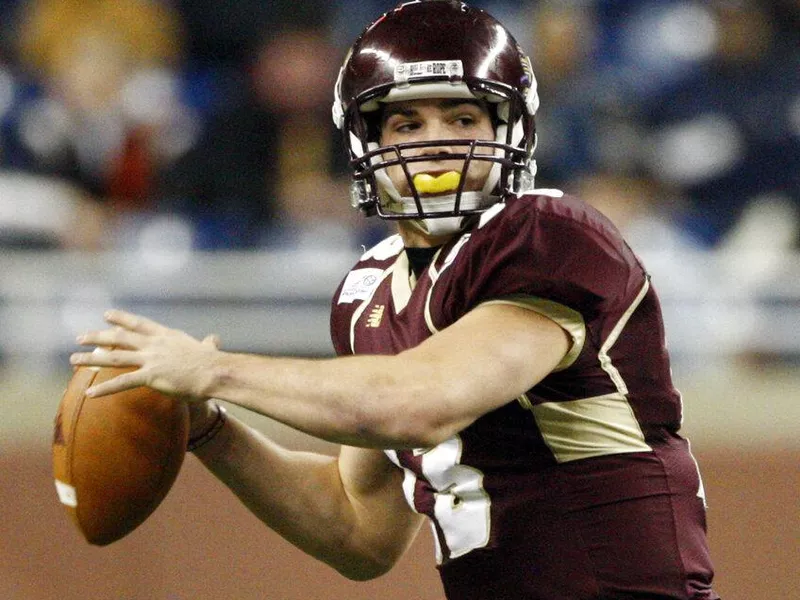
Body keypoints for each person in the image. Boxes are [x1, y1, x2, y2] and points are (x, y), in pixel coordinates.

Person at [70, 2, 720, 598]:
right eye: (407, 121)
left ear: (511, 131)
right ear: (366, 143)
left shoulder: (546, 236)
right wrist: (209, 426)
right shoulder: (369, 293)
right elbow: (358, 531)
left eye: (462, 116)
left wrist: (217, 370)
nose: (434, 140)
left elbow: (421, 403)